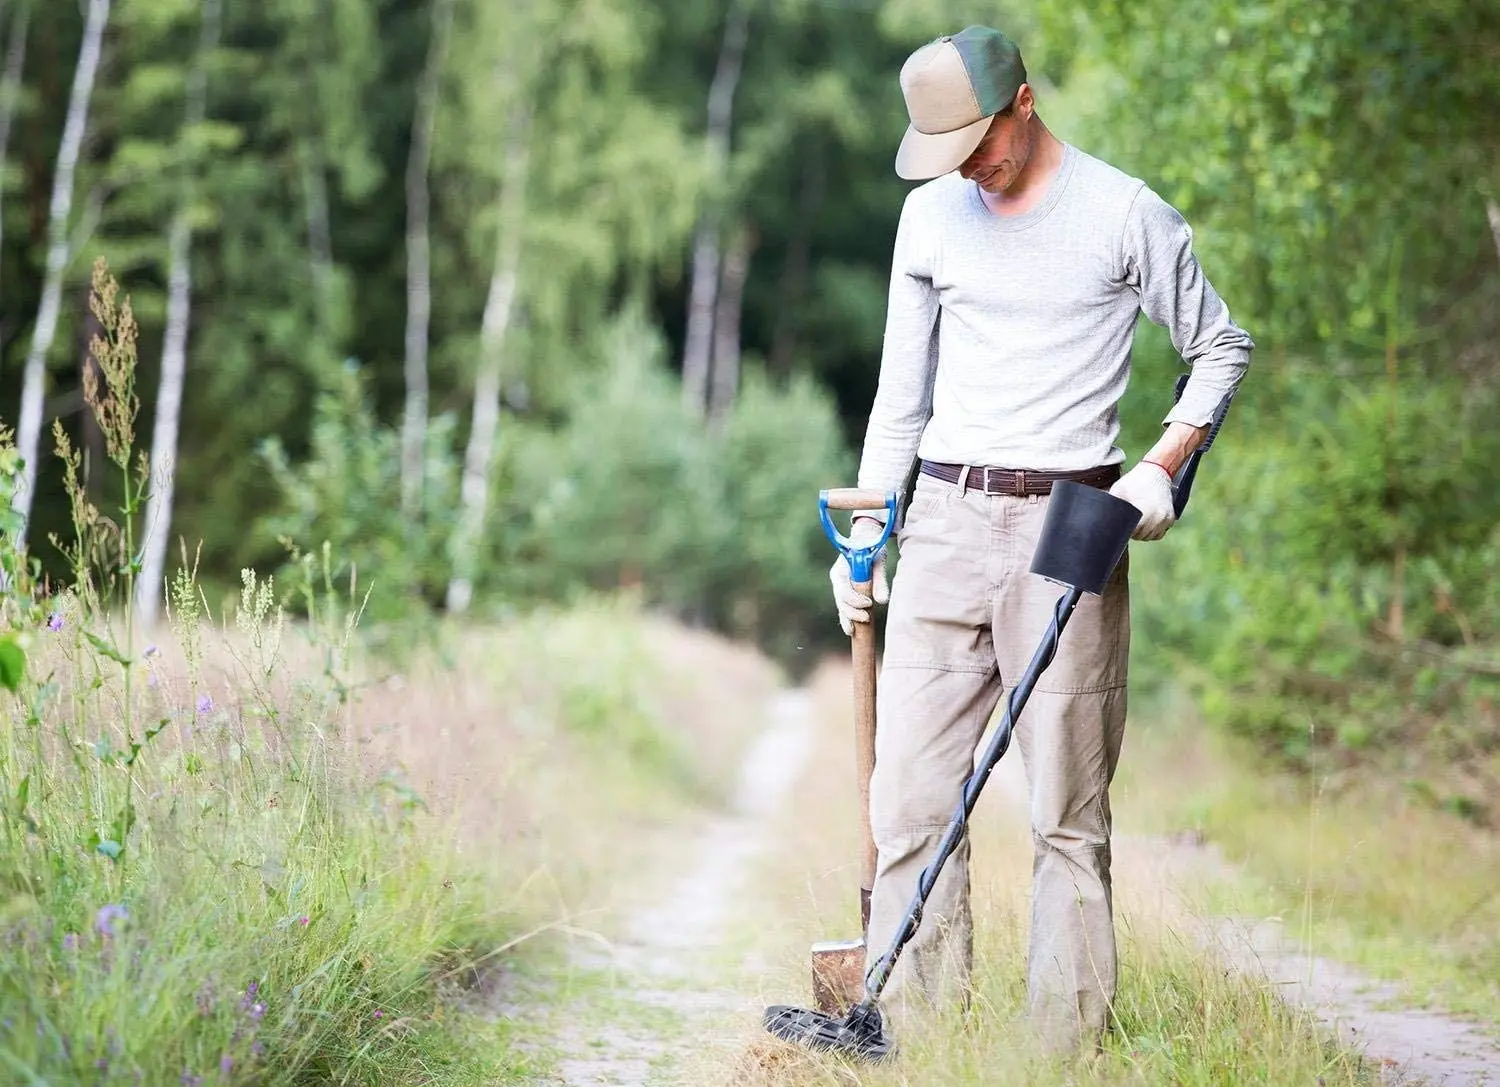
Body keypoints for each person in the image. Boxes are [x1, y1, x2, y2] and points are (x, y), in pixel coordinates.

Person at [829, 25, 1253, 1056]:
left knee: (1065, 813)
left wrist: (1161, 466)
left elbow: (1220, 347)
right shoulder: (929, 216)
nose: (969, 168)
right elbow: (900, 399)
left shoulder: (1122, 213)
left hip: (1073, 518)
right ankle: (921, 1046)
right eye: (945, 152)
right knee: (912, 800)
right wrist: (866, 542)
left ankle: (1056, 1058)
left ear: (1023, 100)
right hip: (939, 520)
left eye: (978, 142)